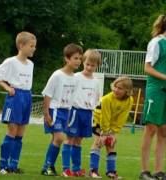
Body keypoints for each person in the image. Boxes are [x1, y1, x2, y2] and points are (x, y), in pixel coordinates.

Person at [0, 31, 37, 174]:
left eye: (34, 46)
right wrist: (7, 87)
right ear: (21, 45)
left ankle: (13, 165)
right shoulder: (10, 62)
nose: (33, 49)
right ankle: (2, 165)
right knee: (12, 130)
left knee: (20, 133)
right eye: (31, 46)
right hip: (15, 97)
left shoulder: (30, 64)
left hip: (27, 96)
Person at [40, 43, 83, 176]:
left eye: (80, 58)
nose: (78, 61)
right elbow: (48, 94)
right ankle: (47, 166)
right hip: (55, 109)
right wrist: (46, 113)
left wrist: (70, 114)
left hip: (66, 112)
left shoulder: (75, 79)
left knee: (56, 139)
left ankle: (48, 167)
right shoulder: (57, 75)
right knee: (59, 138)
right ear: (67, 59)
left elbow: (71, 99)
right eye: (75, 58)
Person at [61, 49, 101, 177]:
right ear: (83, 62)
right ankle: (66, 169)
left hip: (87, 113)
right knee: (69, 139)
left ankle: (77, 169)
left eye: (92, 65)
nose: (89, 67)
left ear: (97, 66)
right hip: (75, 112)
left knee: (78, 141)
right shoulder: (76, 77)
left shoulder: (96, 82)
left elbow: (96, 98)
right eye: (87, 64)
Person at [89, 76, 134, 179]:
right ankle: (93, 170)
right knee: (99, 142)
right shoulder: (107, 99)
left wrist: (113, 132)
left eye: (120, 88)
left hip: (111, 123)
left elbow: (122, 118)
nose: (116, 90)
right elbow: (105, 116)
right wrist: (104, 133)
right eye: (115, 87)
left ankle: (111, 172)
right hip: (99, 120)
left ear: (127, 91)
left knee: (111, 144)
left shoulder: (129, 100)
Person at [139, 14, 166, 180]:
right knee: (151, 129)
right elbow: (147, 68)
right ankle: (144, 171)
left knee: (164, 131)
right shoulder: (157, 42)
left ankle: (158, 171)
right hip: (156, 89)